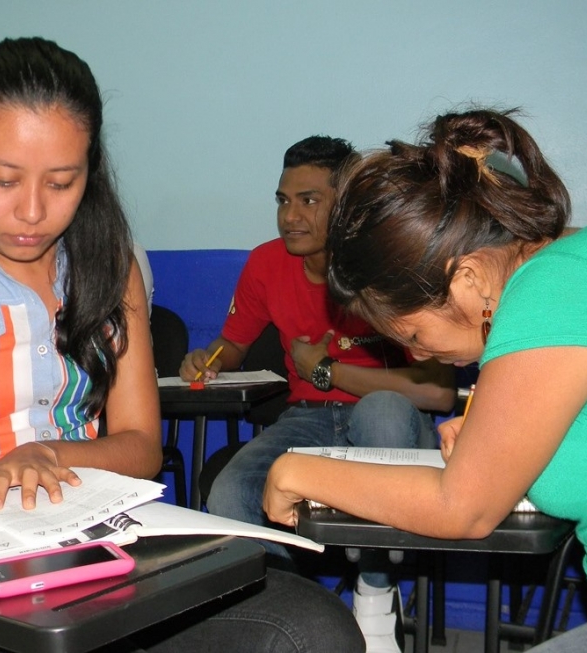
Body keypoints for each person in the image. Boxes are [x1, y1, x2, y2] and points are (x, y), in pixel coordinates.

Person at [0, 37, 363, 652]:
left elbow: (139, 446)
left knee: (314, 627)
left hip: (94, 551)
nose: (31, 212)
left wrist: (52, 453)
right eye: (2, 178)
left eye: (61, 182)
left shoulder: (110, 264)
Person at [263, 108, 587, 651]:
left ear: (468, 277)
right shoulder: (583, 261)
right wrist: (495, 452)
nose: (415, 352)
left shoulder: (555, 292)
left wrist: (299, 470)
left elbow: (465, 509)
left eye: (411, 333)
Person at [181, 135, 457, 652]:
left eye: (309, 201)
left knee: (381, 410)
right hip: (306, 419)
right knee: (229, 491)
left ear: (346, 205)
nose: (290, 216)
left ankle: (375, 598)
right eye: (283, 201)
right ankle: (300, 611)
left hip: (392, 426)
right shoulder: (266, 264)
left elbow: (440, 395)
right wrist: (209, 358)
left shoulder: (385, 264)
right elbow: (233, 344)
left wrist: (326, 370)